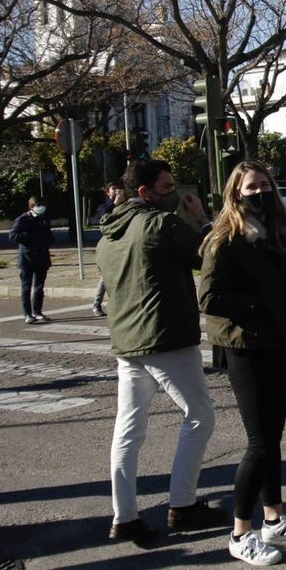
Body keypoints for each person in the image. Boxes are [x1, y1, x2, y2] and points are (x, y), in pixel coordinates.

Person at [97, 159, 227, 545]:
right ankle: (182, 504)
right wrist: (202, 218)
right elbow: (209, 256)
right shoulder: (160, 224)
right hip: (165, 336)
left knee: (129, 429)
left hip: (127, 341)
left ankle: (124, 516)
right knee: (200, 416)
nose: (173, 193)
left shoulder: (107, 234)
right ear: (144, 192)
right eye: (167, 187)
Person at [199, 161, 286, 567]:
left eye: (266, 185)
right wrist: (257, 305)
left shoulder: (277, 233)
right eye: (252, 187)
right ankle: (240, 533)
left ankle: (274, 519)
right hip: (248, 346)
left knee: (273, 439)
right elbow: (209, 298)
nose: (261, 192)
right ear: (235, 193)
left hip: (283, 341)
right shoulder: (225, 238)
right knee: (260, 443)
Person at [10, 196, 53, 325]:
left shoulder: (44, 218)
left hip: (42, 257)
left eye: (43, 205)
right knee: (26, 287)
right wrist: (30, 237)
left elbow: (48, 234)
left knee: (39, 287)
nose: (41, 207)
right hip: (27, 258)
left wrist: (49, 240)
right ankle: (27, 314)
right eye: (38, 205)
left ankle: (37, 311)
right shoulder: (23, 219)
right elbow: (13, 235)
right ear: (31, 206)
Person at [92, 181, 125, 317]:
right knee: (105, 277)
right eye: (113, 189)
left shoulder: (124, 204)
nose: (116, 191)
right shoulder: (104, 206)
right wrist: (114, 203)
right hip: (108, 244)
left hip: (122, 243)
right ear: (107, 192)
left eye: (118, 189)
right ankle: (96, 304)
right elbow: (102, 216)